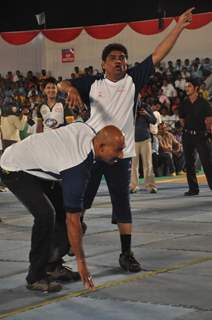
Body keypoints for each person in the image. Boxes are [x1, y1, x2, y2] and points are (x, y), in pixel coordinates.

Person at [57, 8, 194, 272]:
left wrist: (177, 27)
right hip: (93, 153)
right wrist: (72, 88)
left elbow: (158, 53)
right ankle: (64, 250)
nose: (119, 61)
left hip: (122, 155)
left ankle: (126, 253)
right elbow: (61, 83)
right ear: (103, 64)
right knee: (80, 203)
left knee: (123, 203)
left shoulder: (133, 81)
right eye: (114, 58)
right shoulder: (92, 83)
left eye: (123, 58)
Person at [0, 122, 125, 291]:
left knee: (66, 218)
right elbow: (72, 222)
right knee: (46, 215)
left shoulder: (87, 130)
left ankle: (52, 265)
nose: (122, 155)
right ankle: (35, 276)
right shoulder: (77, 168)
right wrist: (82, 264)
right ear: (101, 146)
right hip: (13, 166)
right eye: (118, 149)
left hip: (36, 163)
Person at [178, 78, 212, 196]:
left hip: (201, 135)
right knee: (189, 163)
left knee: (207, 163)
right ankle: (193, 189)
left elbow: (209, 119)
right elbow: (181, 119)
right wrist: (187, 126)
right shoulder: (184, 103)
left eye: (189, 86)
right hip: (187, 135)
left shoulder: (204, 103)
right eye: (186, 86)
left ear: (196, 88)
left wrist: (206, 131)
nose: (187, 88)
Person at [130, 99, 157, 193]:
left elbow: (154, 120)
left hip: (145, 139)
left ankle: (150, 186)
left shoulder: (146, 107)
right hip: (133, 140)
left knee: (148, 164)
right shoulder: (129, 107)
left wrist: (146, 114)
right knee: (134, 165)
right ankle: (134, 186)